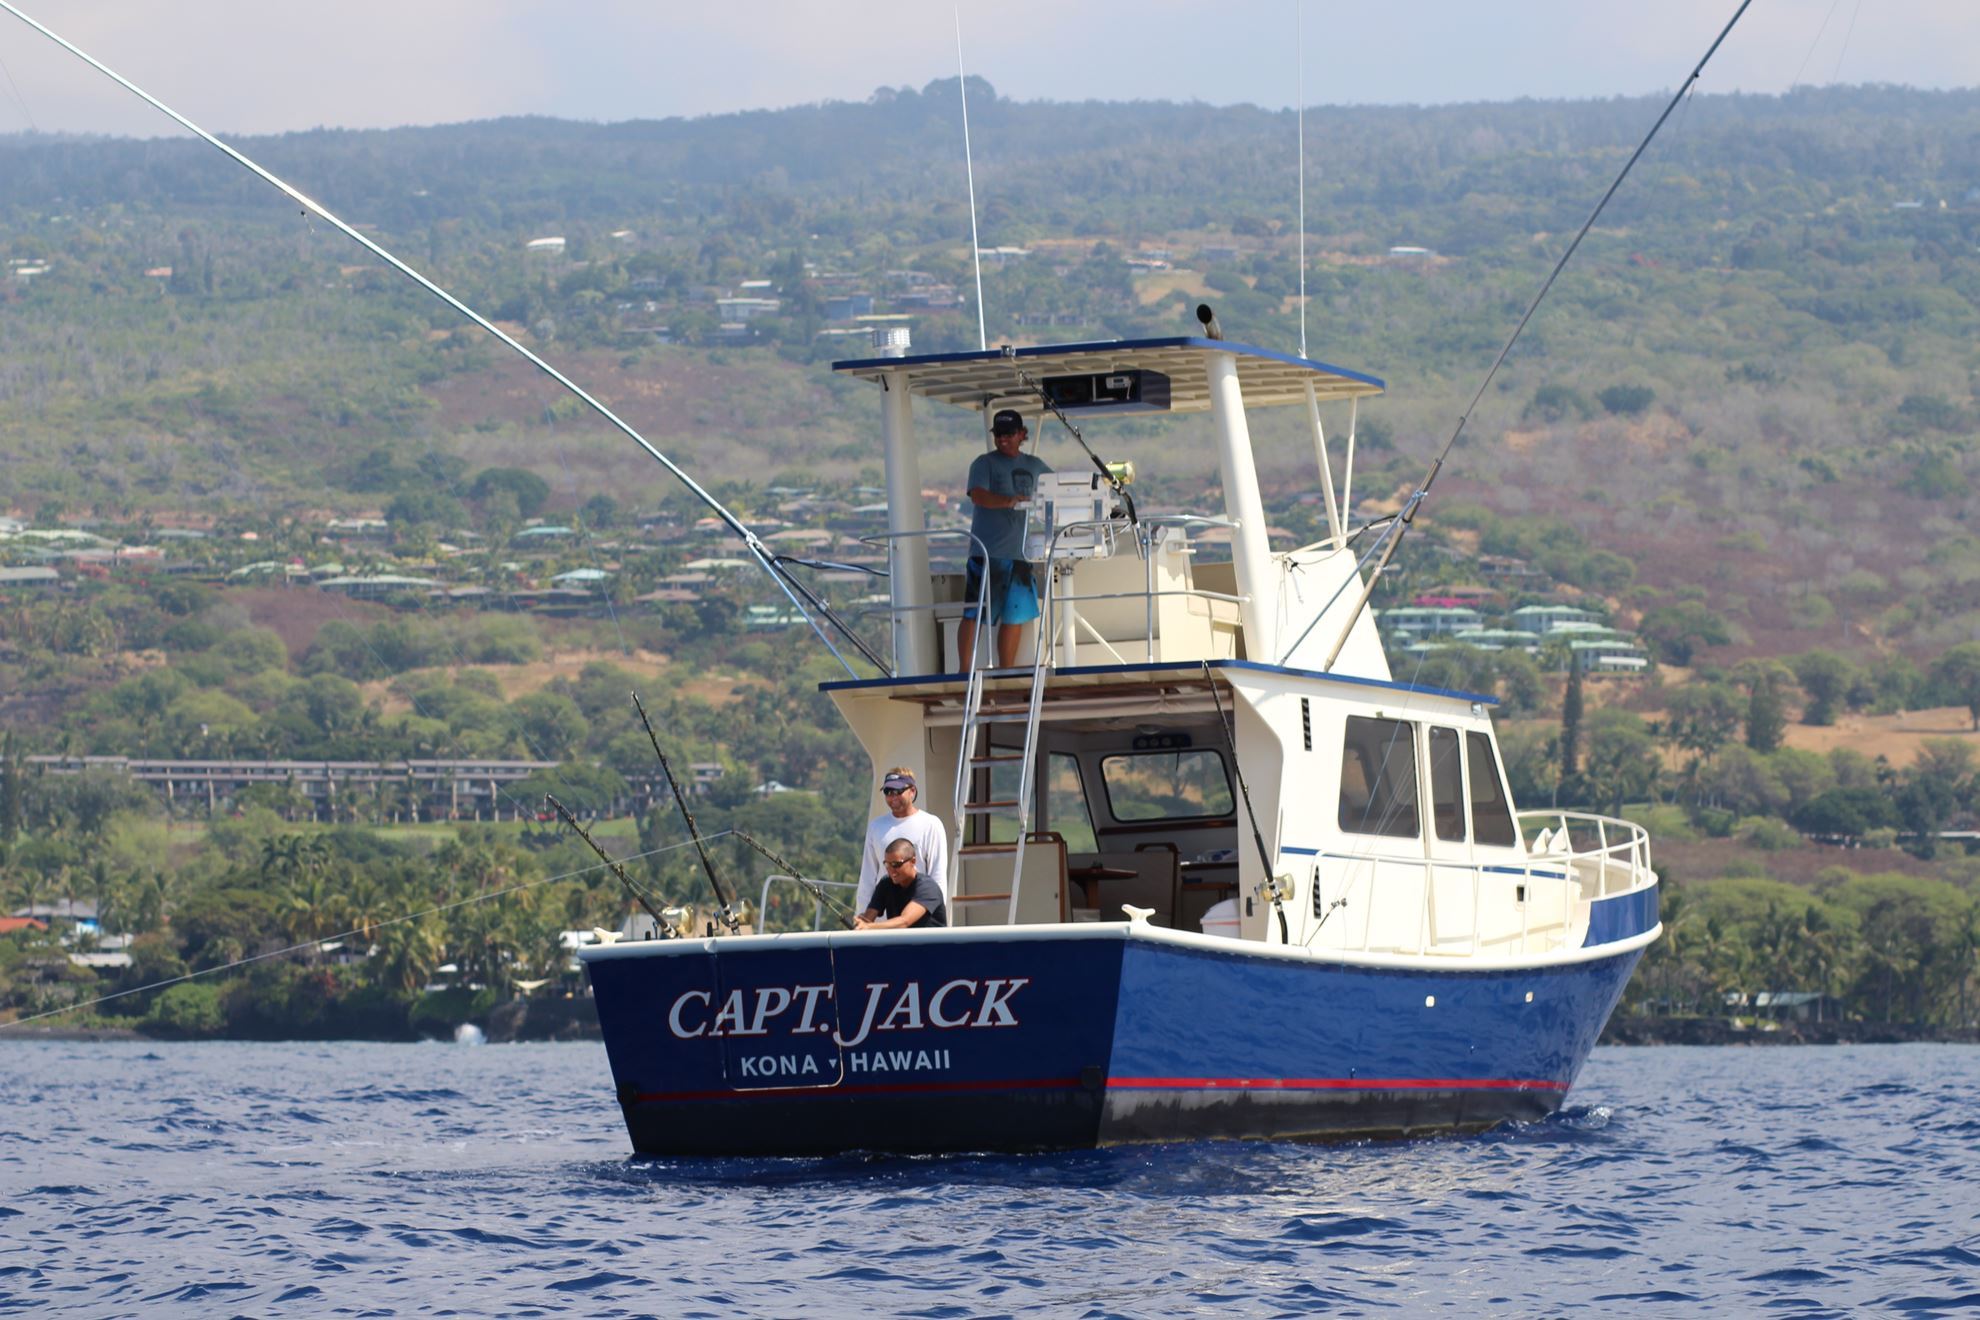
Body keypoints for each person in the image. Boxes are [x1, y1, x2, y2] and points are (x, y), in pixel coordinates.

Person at [956, 408, 1052, 671]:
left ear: (1022, 434)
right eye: (998, 434)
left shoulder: (1035, 465)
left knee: (1015, 616)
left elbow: (1056, 488)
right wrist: (1009, 501)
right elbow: (977, 495)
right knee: (975, 613)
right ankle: (964, 671)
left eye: (1008, 434)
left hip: (1019, 555)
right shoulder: (984, 463)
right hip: (987, 553)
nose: (1002, 439)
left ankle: (1006, 672)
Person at [855, 766, 949, 914]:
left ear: (912, 791)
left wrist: (936, 916)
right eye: (888, 792)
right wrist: (862, 916)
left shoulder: (931, 824)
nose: (893, 797)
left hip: (919, 917)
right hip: (883, 920)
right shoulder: (876, 826)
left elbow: (938, 876)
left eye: (898, 791)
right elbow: (868, 876)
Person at [854, 839, 947, 929]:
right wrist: (860, 923)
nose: (891, 870)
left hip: (931, 944)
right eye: (887, 864)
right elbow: (868, 919)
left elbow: (904, 921)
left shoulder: (928, 887)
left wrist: (868, 927)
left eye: (896, 864)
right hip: (902, 943)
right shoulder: (885, 883)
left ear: (913, 861)